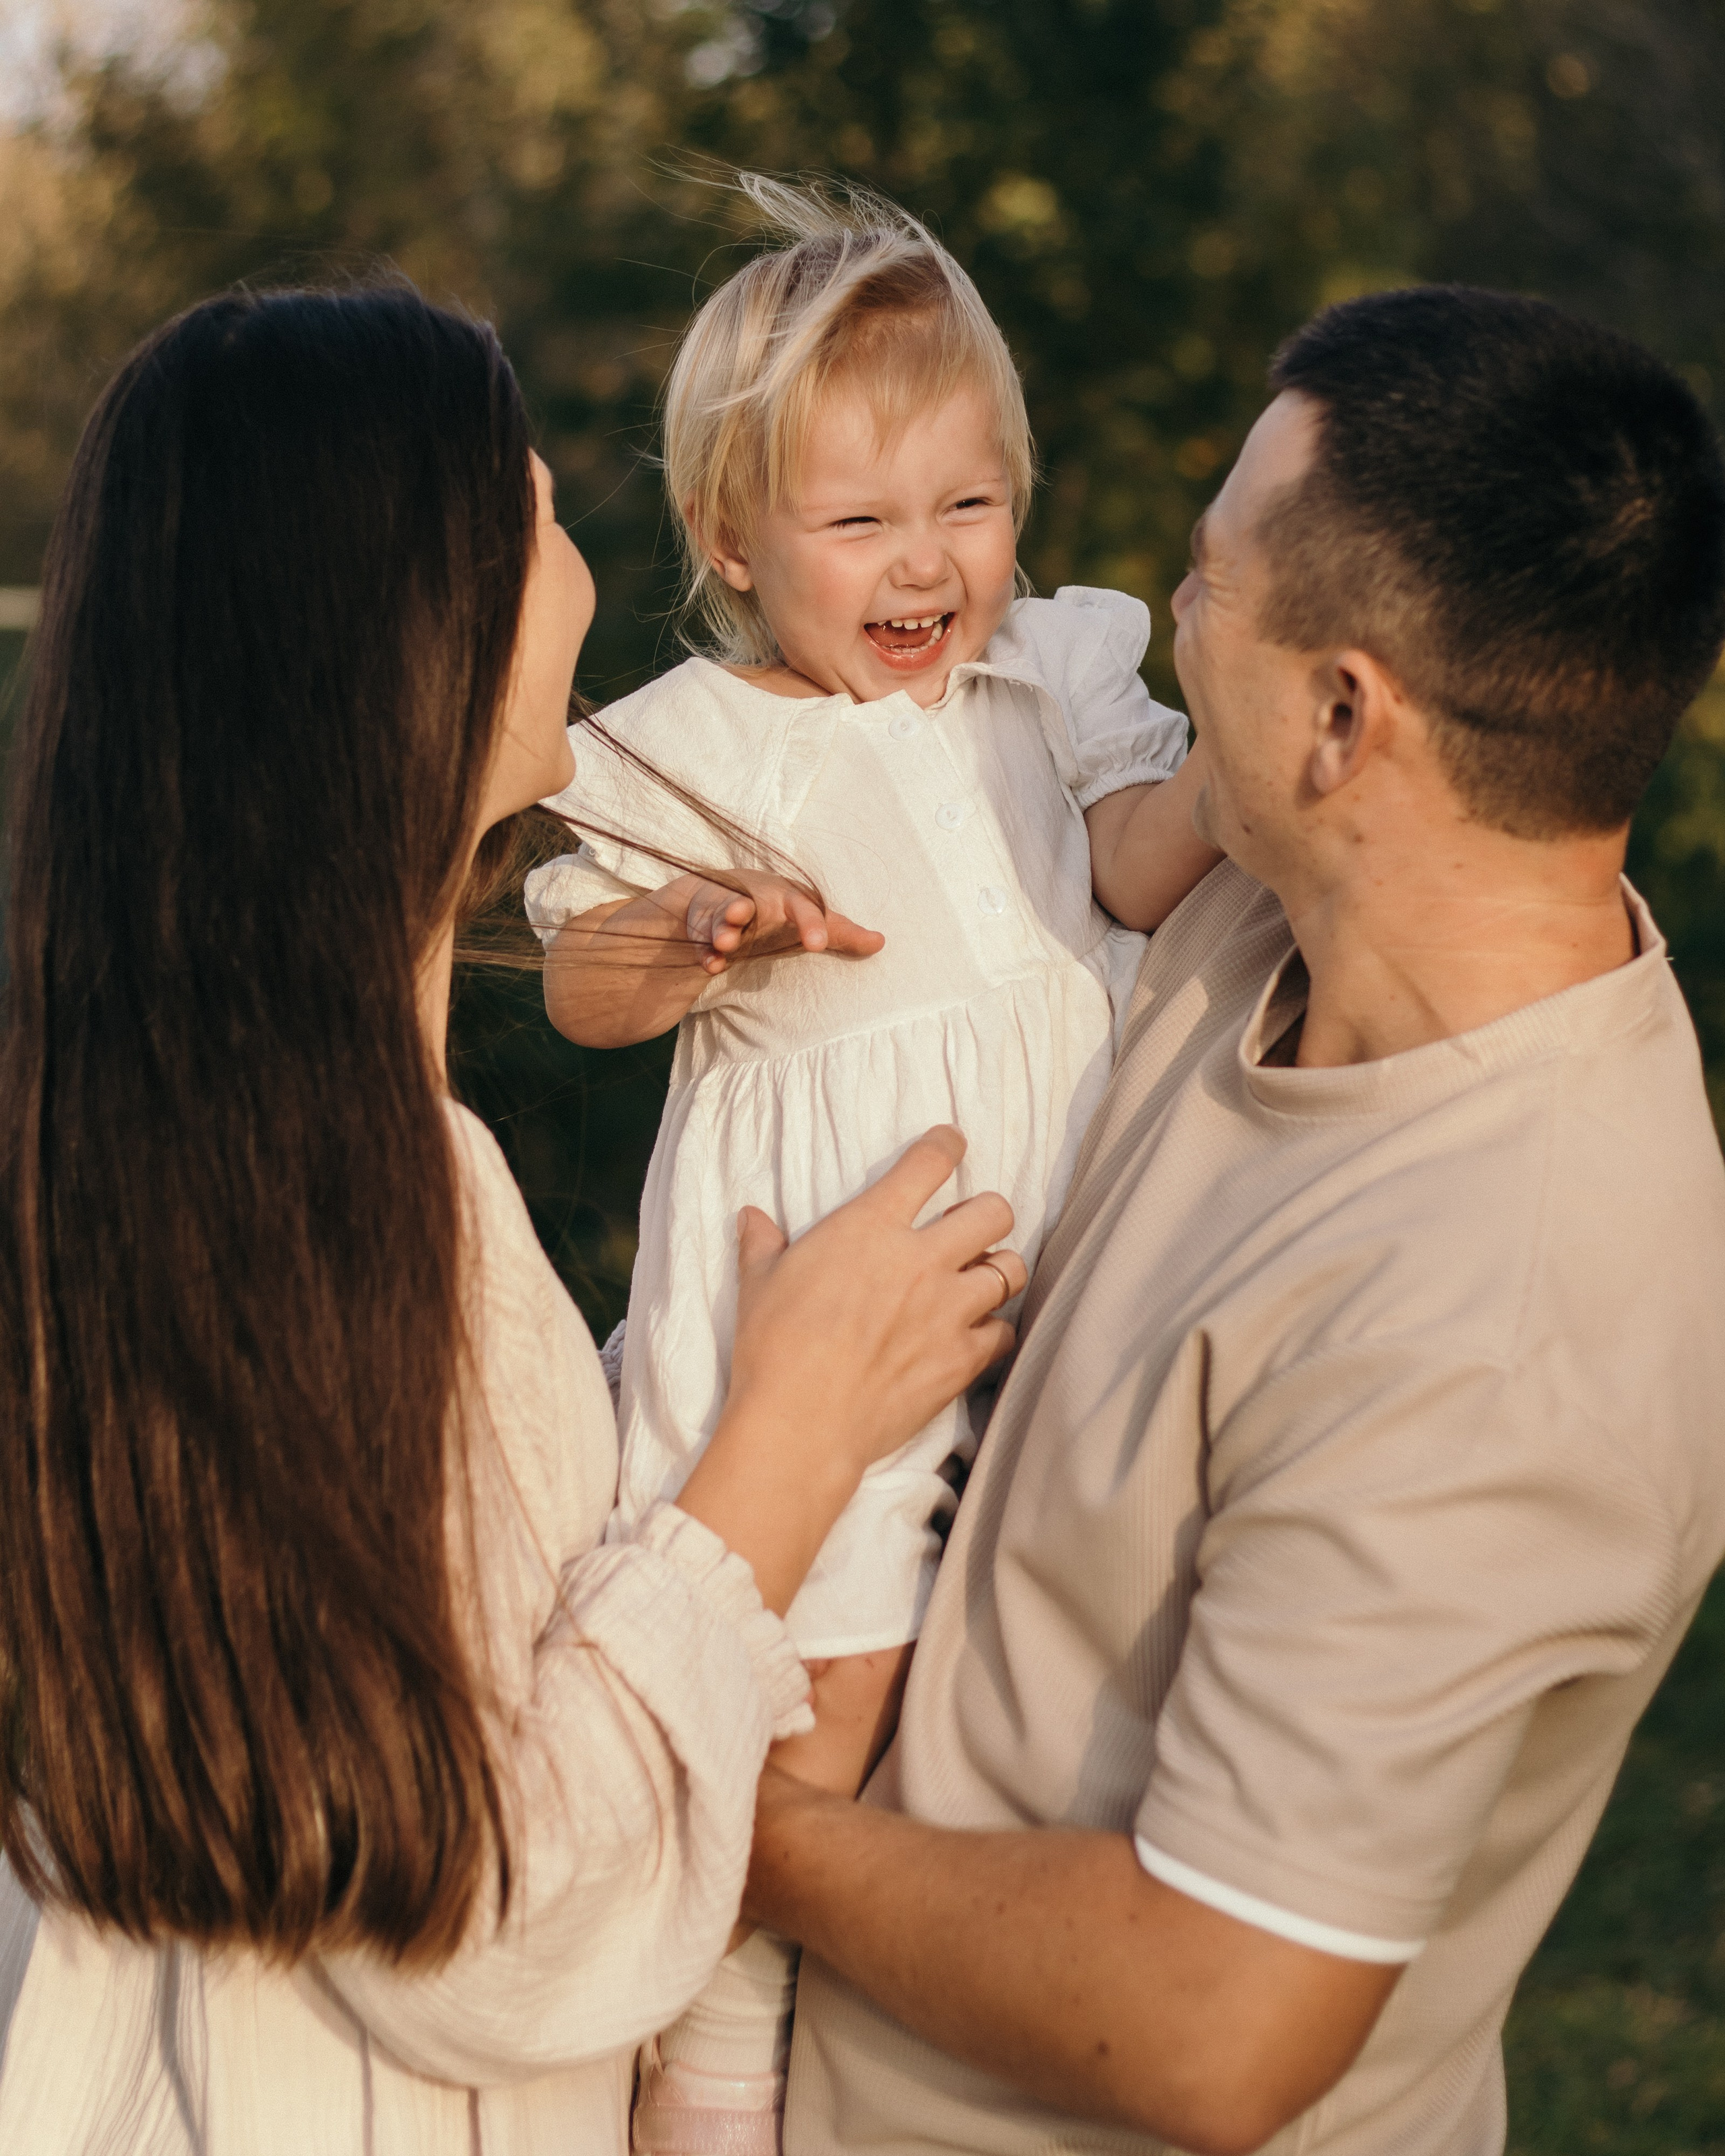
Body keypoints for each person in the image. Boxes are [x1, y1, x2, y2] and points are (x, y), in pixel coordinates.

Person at [0, 282, 1025, 2156]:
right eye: (539, 518)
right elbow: (469, 1909)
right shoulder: (327, 1208)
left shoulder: (211, 1153)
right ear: (412, 633)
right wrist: (783, 1448)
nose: (576, 569)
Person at [742, 286, 1725, 2156]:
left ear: (1346, 717)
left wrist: (753, 1840)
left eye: (1209, 581)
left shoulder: (1504, 1322)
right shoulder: (1263, 909)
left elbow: (1218, 2017)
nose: (1166, 620)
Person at [522, 177, 1220, 2149]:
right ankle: (711, 2075)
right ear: (736, 540)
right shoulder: (701, 750)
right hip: (825, 1316)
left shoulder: (1050, 685)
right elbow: (580, 984)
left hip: (1053, 1295)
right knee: (811, 1709)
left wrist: (1241, 783)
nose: (927, 564)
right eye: (860, 523)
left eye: (966, 506)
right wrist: (687, 940)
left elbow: (1134, 867)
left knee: (1009, 1705)